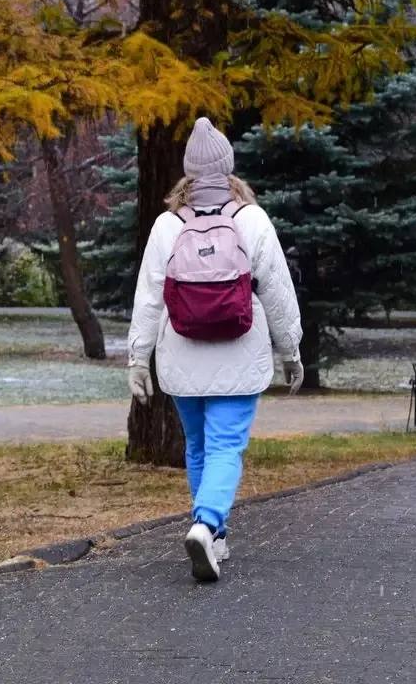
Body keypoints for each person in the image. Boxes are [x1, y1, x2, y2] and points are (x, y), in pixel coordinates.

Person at [126, 116, 303, 583]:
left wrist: (137, 359)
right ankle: (206, 524)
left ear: (187, 172)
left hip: (181, 358)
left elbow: (148, 296)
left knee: (199, 446)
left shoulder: (167, 224)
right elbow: (279, 293)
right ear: (228, 170)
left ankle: (214, 535)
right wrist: (291, 351)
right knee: (227, 445)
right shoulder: (251, 220)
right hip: (239, 355)